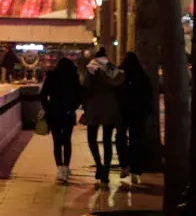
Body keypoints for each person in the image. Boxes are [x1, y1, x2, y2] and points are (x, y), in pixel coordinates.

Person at [81, 47, 125, 188]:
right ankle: (106, 169)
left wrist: (84, 107)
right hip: (110, 108)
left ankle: (99, 165)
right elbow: (119, 87)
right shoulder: (111, 68)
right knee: (107, 140)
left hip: (94, 108)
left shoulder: (91, 68)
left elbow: (85, 89)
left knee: (91, 138)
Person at [40, 57, 82, 184]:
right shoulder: (73, 76)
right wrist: (73, 107)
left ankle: (60, 169)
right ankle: (66, 167)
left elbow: (43, 95)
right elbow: (79, 95)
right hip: (68, 113)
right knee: (67, 141)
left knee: (57, 141)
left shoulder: (52, 76)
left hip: (54, 113)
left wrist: (48, 108)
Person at [118, 52, 152, 186]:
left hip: (123, 113)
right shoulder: (143, 77)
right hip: (138, 114)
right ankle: (135, 170)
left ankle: (124, 165)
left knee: (121, 138)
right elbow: (148, 97)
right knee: (136, 141)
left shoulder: (121, 77)